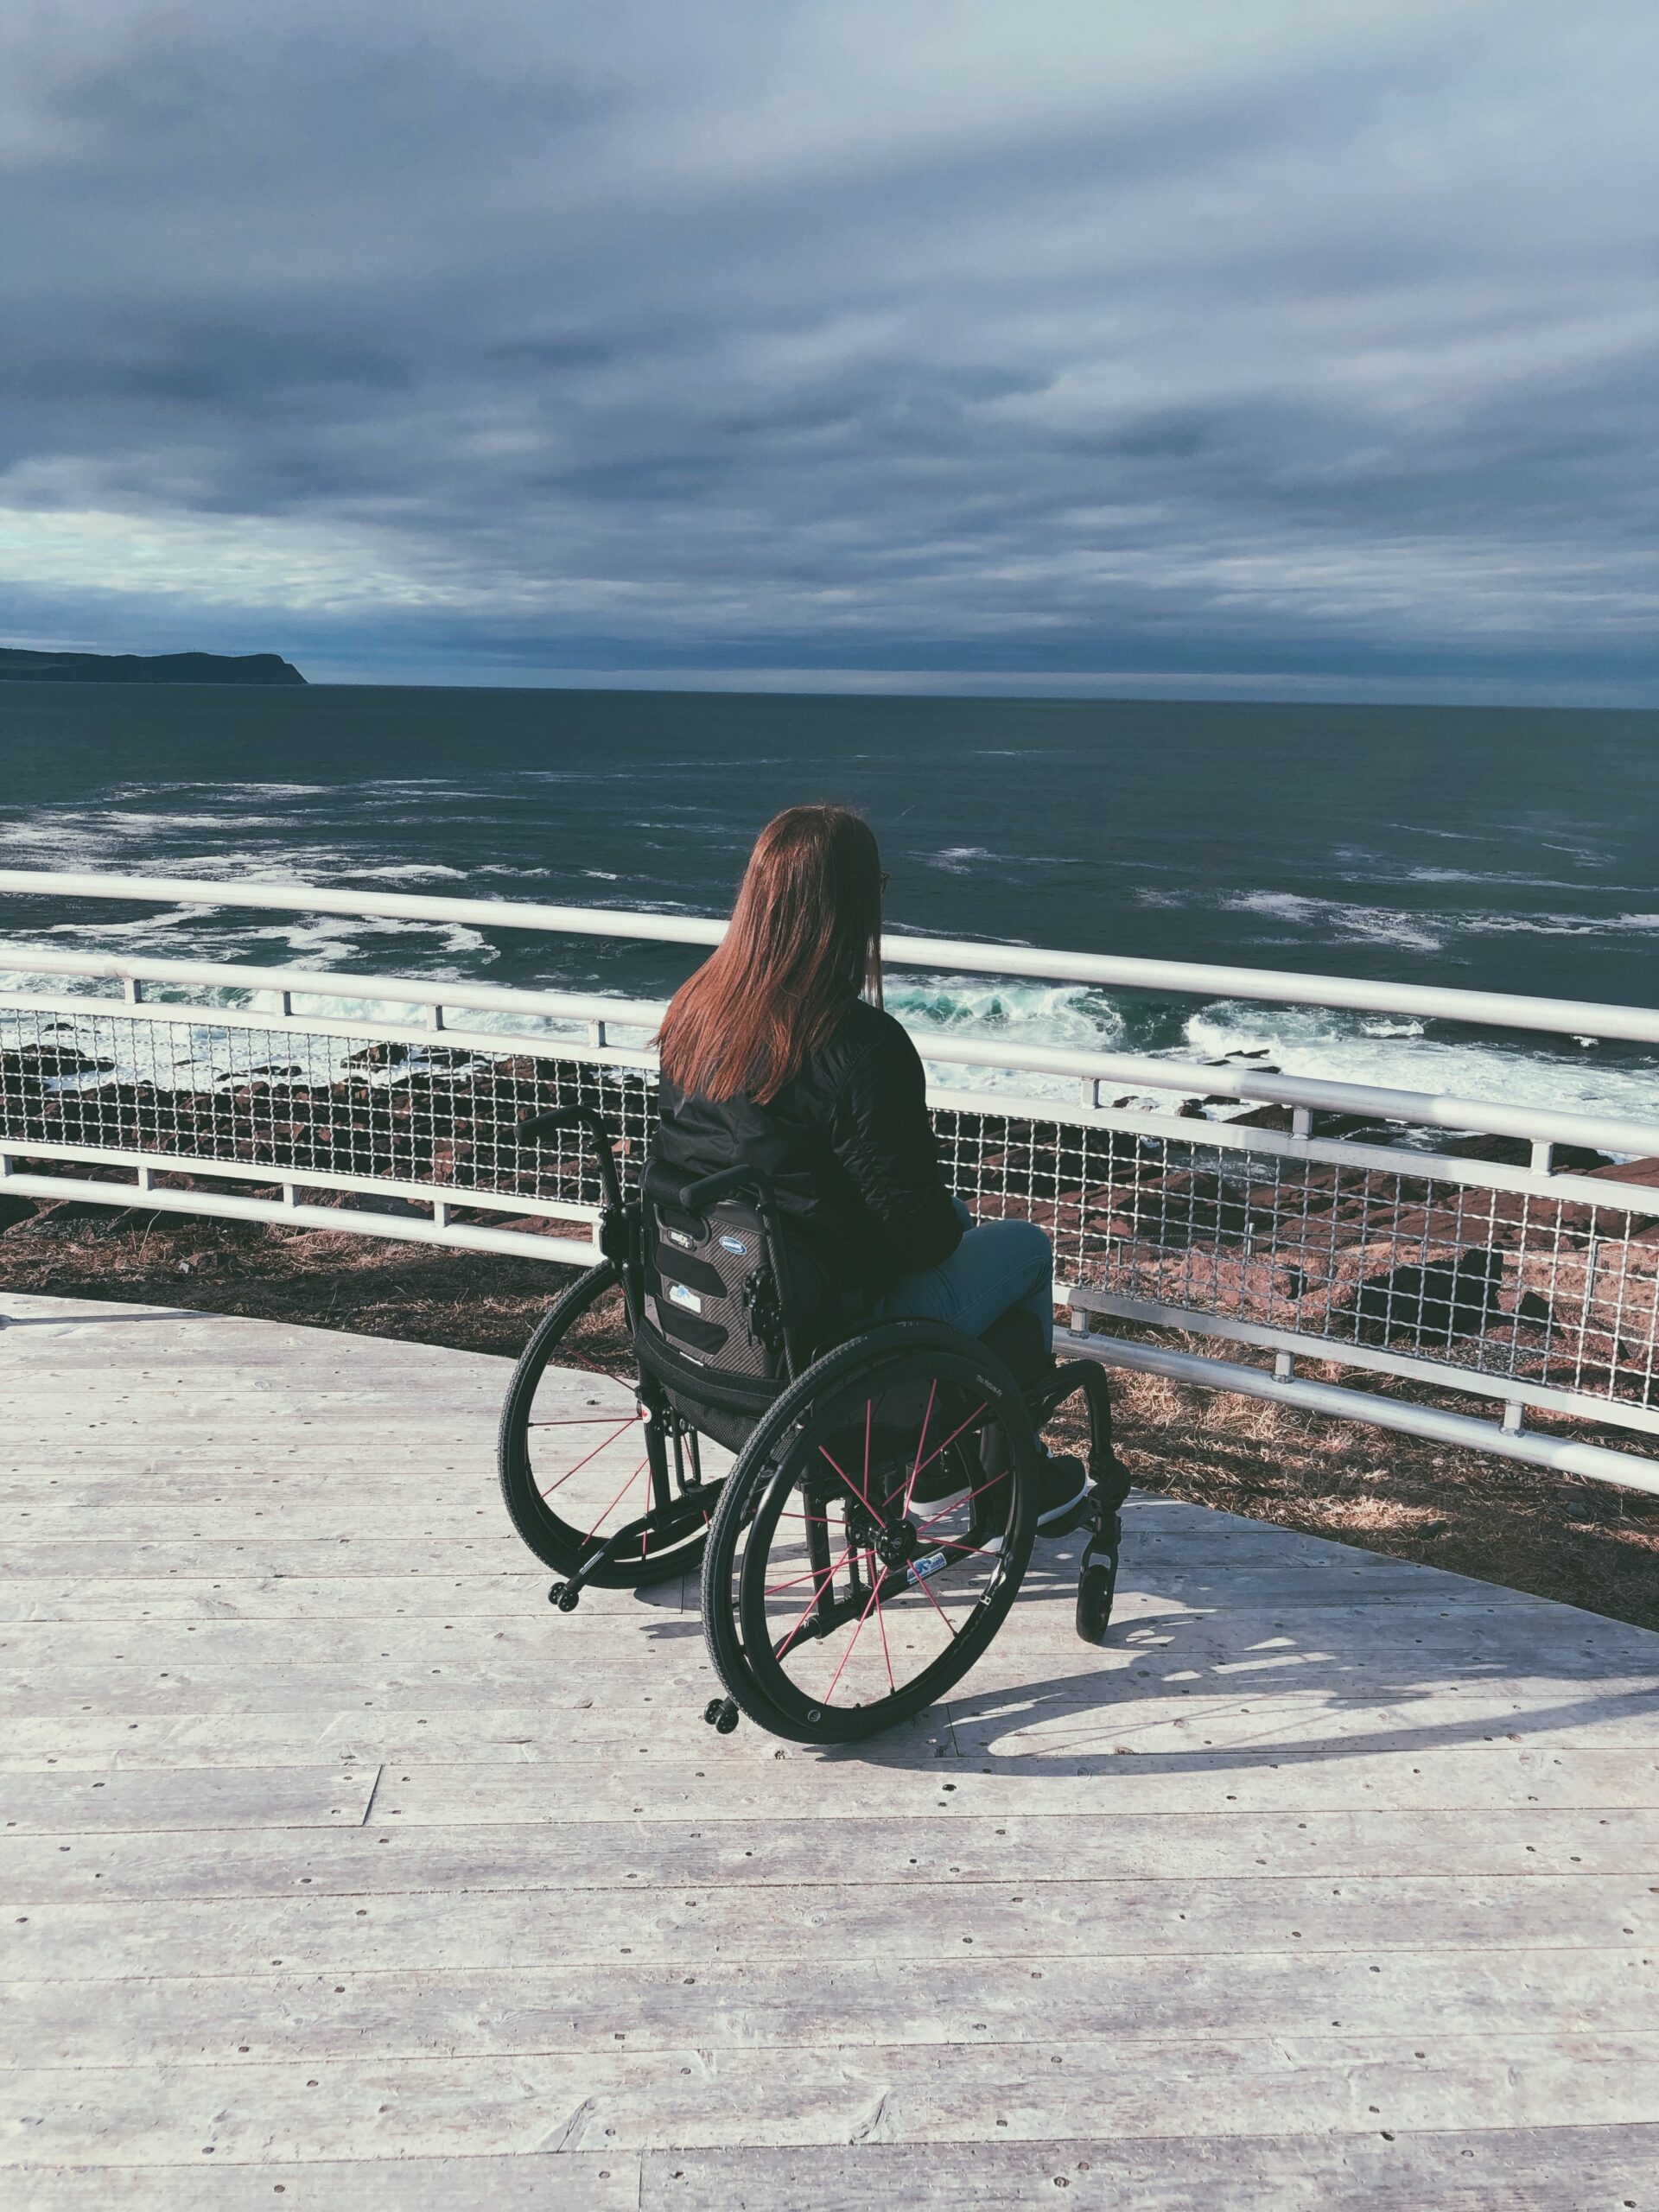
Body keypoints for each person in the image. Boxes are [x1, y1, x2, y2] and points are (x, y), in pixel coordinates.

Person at [652, 801, 1088, 1531]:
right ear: (849, 905)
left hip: (718, 1301)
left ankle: (946, 1464)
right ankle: (1007, 1476)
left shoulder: (694, 1013)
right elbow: (917, 1236)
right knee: (1024, 1248)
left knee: (957, 1222)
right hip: (822, 1333)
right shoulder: (859, 1045)